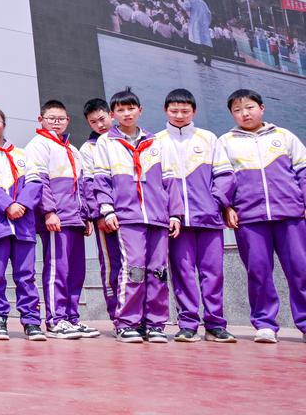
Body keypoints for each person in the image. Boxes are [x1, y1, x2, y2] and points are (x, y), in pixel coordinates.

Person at [91, 88, 182, 343]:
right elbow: (101, 181)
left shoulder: (157, 142)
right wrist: (107, 210)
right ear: (113, 114)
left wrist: (175, 213)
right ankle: (127, 322)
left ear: (140, 110)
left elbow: (169, 180)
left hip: (158, 217)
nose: (126, 113)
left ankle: (155, 324)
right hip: (127, 217)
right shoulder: (106, 143)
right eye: (120, 110)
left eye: (131, 108)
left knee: (159, 271)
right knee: (133, 270)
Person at [217, 89, 306, 344]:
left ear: (262, 108)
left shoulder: (284, 136)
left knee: (301, 271)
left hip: (290, 214)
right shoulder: (226, 142)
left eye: (249, 107)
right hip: (250, 218)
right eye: (237, 110)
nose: (244, 113)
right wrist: (227, 207)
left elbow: (303, 172)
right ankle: (265, 324)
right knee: (258, 271)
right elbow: (223, 180)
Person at [157, 88, 237, 343]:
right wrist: (169, 213)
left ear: (194, 111)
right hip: (176, 223)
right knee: (182, 273)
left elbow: (224, 176)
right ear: (165, 111)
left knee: (213, 273)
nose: (180, 115)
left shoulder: (209, 138)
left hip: (209, 219)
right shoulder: (156, 142)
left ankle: (215, 325)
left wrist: (216, 203)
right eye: (174, 110)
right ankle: (188, 324)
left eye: (185, 111)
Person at [23, 100, 97, 340]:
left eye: (61, 118)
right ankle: (56, 320)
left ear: (68, 121)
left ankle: (71, 318)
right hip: (56, 218)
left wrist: (86, 215)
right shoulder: (38, 145)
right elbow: (38, 181)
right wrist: (49, 212)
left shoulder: (72, 149)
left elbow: (83, 186)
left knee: (76, 271)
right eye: (51, 117)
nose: (56, 122)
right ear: (40, 119)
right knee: (58, 269)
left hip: (75, 219)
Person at [0, 106, 45, 342]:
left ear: (4, 123)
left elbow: (35, 183)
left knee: (26, 275)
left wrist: (21, 205)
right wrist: (8, 206)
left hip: (23, 225)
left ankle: (31, 321)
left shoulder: (23, 155)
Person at [79, 98, 120, 323]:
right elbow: (88, 184)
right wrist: (98, 214)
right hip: (105, 216)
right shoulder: (88, 148)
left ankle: (139, 315)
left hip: (131, 214)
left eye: (102, 119)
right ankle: (117, 315)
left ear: (111, 115)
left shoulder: (124, 141)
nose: (100, 125)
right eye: (94, 122)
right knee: (111, 265)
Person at [176, 0, 214, 65]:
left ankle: (200, 58)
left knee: (195, 40)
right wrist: (207, 23)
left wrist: (178, 0)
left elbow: (186, 7)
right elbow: (209, 13)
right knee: (205, 41)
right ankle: (207, 60)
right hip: (203, 23)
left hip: (195, 22)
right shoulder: (202, 2)